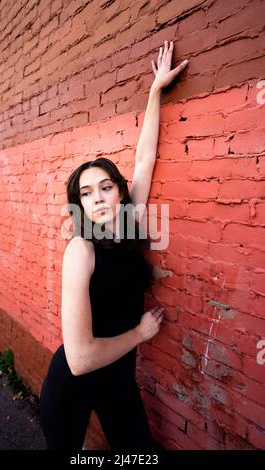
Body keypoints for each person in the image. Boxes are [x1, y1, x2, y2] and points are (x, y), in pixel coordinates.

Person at [39, 40, 188, 451]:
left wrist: (155, 91)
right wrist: (141, 332)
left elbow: (144, 158)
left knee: (137, 451)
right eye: (87, 193)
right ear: (80, 203)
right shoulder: (81, 250)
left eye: (106, 187)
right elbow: (80, 358)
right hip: (74, 385)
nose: (99, 197)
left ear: (119, 193)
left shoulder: (129, 220)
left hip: (120, 378)